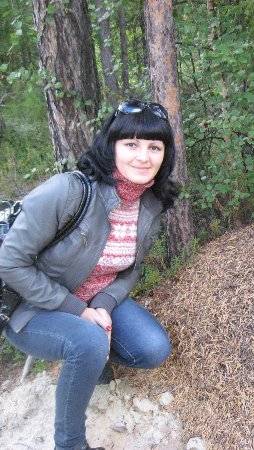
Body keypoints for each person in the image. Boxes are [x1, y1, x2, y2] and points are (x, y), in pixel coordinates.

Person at [0, 100, 178, 450]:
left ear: (165, 154)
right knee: (88, 341)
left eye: (154, 147)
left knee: (153, 349)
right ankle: (70, 444)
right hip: (32, 306)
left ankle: (90, 360)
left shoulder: (151, 204)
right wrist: (78, 311)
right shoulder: (68, 191)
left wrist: (104, 304)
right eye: (131, 144)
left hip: (96, 298)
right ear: (111, 146)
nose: (143, 156)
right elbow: (9, 263)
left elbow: (132, 269)